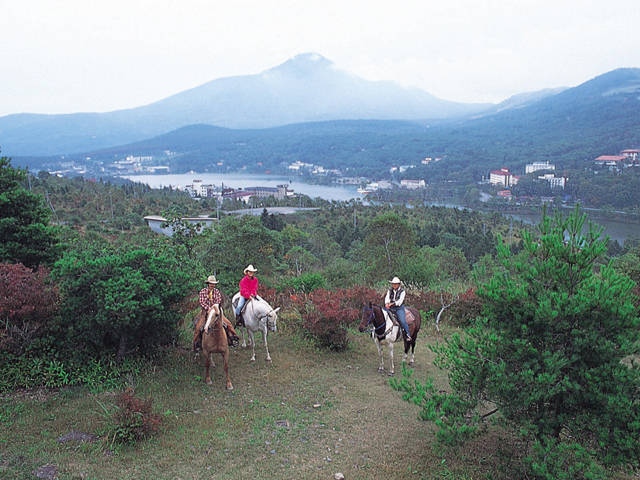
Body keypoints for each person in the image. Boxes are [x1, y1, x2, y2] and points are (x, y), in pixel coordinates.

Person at [193, 275, 239, 351]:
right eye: (211, 283)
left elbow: (218, 301)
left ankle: (233, 338)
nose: (212, 285)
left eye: (213, 283)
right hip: (205, 312)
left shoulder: (217, 292)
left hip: (216, 311)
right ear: (208, 284)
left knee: (228, 324)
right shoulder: (203, 291)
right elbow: (202, 302)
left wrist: (215, 309)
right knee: (199, 327)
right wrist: (208, 308)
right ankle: (195, 344)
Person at [384, 276, 411, 341]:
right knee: (381, 315)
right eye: (393, 284)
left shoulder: (402, 291)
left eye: (395, 284)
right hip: (390, 307)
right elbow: (387, 297)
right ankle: (375, 331)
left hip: (399, 308)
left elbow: (400, 302)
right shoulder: (390, 290)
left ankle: (407, 334)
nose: (394, 285)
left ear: (399, 284)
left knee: (402, 321)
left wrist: (391, 304)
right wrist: (386, 303)